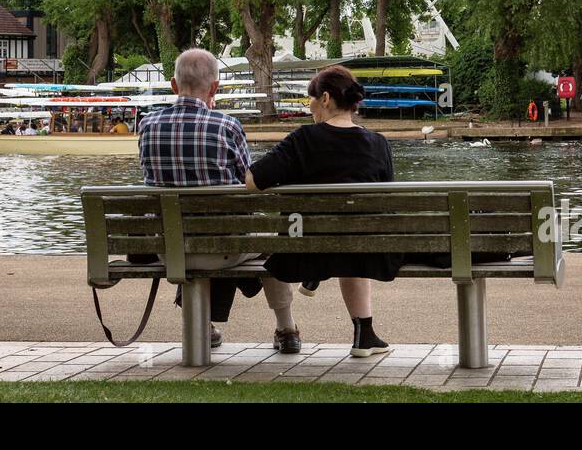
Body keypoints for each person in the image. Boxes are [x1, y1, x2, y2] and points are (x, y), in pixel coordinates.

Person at [139, 48, 298, 353]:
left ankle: (204, 326)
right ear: (214, 88)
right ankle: (286, 328)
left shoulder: (147, 125)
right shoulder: (227, 126)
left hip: (170, 250)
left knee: (188, 229)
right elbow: (247, 184)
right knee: (272, 239)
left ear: (174, 86)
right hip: (224, 248)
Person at [246, 65, 399, 358]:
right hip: (366, 251)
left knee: (335, 236)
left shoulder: (302, 139)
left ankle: (316, 276)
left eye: (310, 100)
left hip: (303, 251)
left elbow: (252, 181)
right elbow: (386, 199)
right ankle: (363, 334)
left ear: (325, 98)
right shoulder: (378, 143)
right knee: (354, 235)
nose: (310, 106)